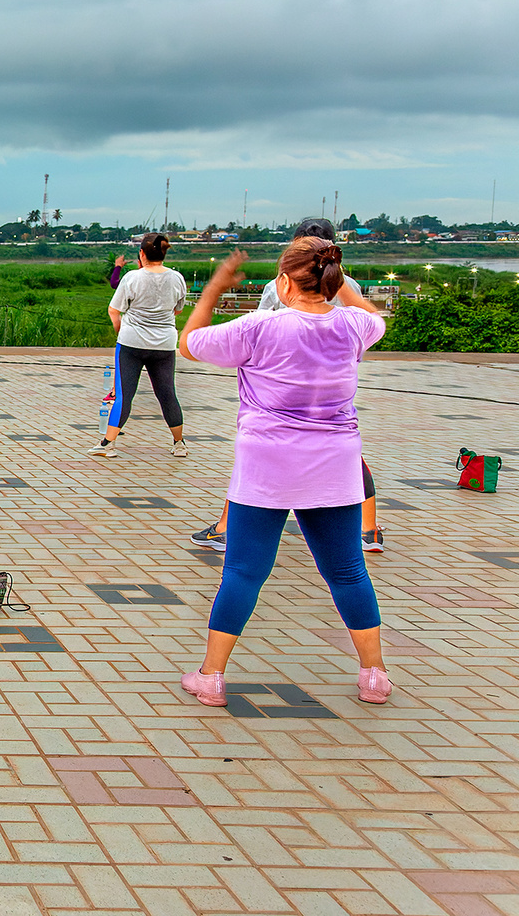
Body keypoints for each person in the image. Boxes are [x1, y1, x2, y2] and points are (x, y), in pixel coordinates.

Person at [178, 238, 392, 707]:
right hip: (334, 467)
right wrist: (342, 288)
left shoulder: (259, 327)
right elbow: (373, 316)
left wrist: (213, 288)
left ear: (282, 282)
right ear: (334, 280)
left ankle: (211, 677)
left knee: (243, 571)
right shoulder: (354, 326)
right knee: (348, 572)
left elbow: (189, 344)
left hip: (266, 467)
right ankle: (374, 676)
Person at [189, 218, 384, 553]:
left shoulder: (274, 294)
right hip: (331, 413)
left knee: (245, 560)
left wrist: (213, 289)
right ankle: (368, 529)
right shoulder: (348, 292)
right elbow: (371, 325)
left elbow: (196, 342)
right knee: (346, 568)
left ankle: (225, 528)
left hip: (275, 419)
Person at [88, 232, 187, 459]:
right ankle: (179, 443)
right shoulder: (177, 278)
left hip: (132, 343)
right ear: (163, 253)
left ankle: (107, 444)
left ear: (141, 254)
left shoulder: (132, 278)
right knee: (167, 393)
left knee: (124, 395)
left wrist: (120, 330)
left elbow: (114, 310)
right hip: (164, 344)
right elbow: (178, 309)